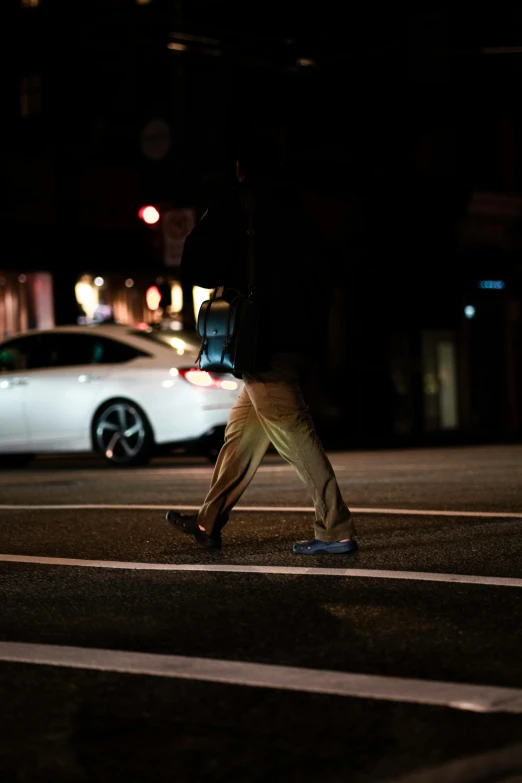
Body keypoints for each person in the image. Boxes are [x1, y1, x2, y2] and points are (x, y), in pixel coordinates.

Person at [165, 127, 358, 555]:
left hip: (261, 339)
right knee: (242, 435)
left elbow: (199, 264)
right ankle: (208, 523)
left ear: (239, 168)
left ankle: (335, 528)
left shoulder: (240, 204)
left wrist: (216, 210)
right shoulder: (302, 209)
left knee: (293, 430)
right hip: (296, 338)